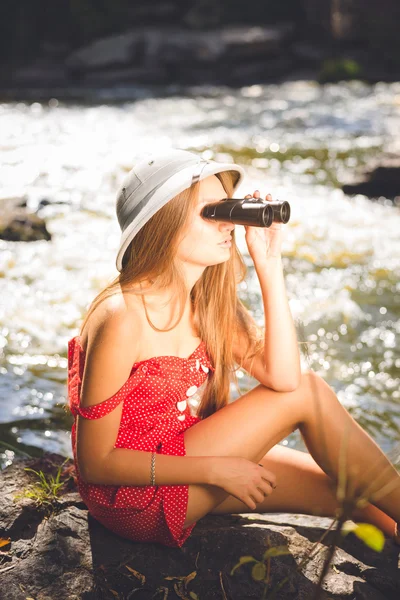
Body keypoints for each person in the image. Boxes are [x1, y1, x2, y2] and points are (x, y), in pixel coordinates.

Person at [67, 148, 400, 549]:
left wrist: (269, 262)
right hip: (134, 498)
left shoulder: (208, 303)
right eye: (212, 211)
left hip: (188, 455)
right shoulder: (123, 315)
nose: (228, 223)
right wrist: (217, 470)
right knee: (310, 393)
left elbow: (282, 377)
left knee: (362, 499)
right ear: (163, 223)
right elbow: (96, 462)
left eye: (229, 208)